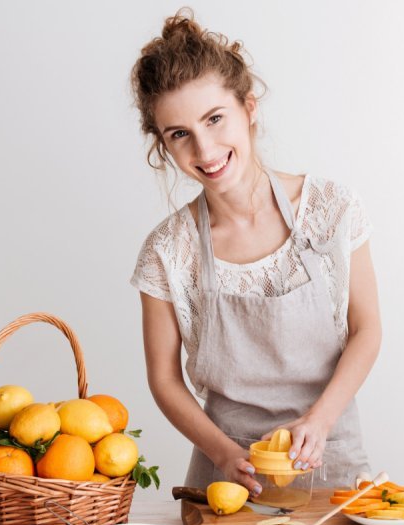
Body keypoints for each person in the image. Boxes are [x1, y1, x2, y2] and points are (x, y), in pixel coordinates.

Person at [129, 10, 380, 495]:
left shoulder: (331, 209)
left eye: (215, 119)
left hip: (333, 469)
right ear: (163, 144)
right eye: (179, 133)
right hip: (227, 481)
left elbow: (366, 330)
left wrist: (320, 420)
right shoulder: (167, 252)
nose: (204, 149)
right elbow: (163, 378)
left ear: (249, 108)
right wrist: (224, 452)